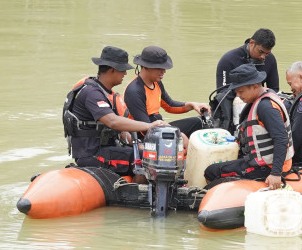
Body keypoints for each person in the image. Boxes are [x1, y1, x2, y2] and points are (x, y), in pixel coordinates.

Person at [64, 46, 167, 175]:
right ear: (112, 70)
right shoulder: (92, 93)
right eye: (123, 70)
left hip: (108, 149)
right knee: (149, 158)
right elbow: (112, 122)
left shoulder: (107, 94)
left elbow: (121, 131)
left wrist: (140, 144)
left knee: (149, 151)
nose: (125, 74)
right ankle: (140, 193)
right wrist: (150, 125)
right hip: (92, 155)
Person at [203, 64, 294, 189]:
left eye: (241, 91)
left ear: (255, 86)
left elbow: (281, 139)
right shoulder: (262, 97)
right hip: (260, 162)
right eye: (236, 92)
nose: (238, 95)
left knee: (211, 172)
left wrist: (276, 173)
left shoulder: (266, 107)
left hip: (267, 167)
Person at [124, 46, 210, 151]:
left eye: (164, 68)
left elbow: (169, 105)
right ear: (146, 67)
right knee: (181, 137)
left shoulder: (157, 83)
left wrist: (192, 105)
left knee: (200, 122)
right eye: (159, 68)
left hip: (160, 126)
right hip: (145, 136)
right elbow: (145, 129)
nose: (164, 71)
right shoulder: (134, 91)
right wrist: (177, 134)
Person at [213, 28, 279, 131]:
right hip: (235, 106)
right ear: (252, 43)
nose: (263, 57)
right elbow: (222, 94)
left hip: (259, 105)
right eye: (261, 52)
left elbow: (274, 89)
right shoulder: (228, 60)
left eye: (267, 53)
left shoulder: (270, 59)